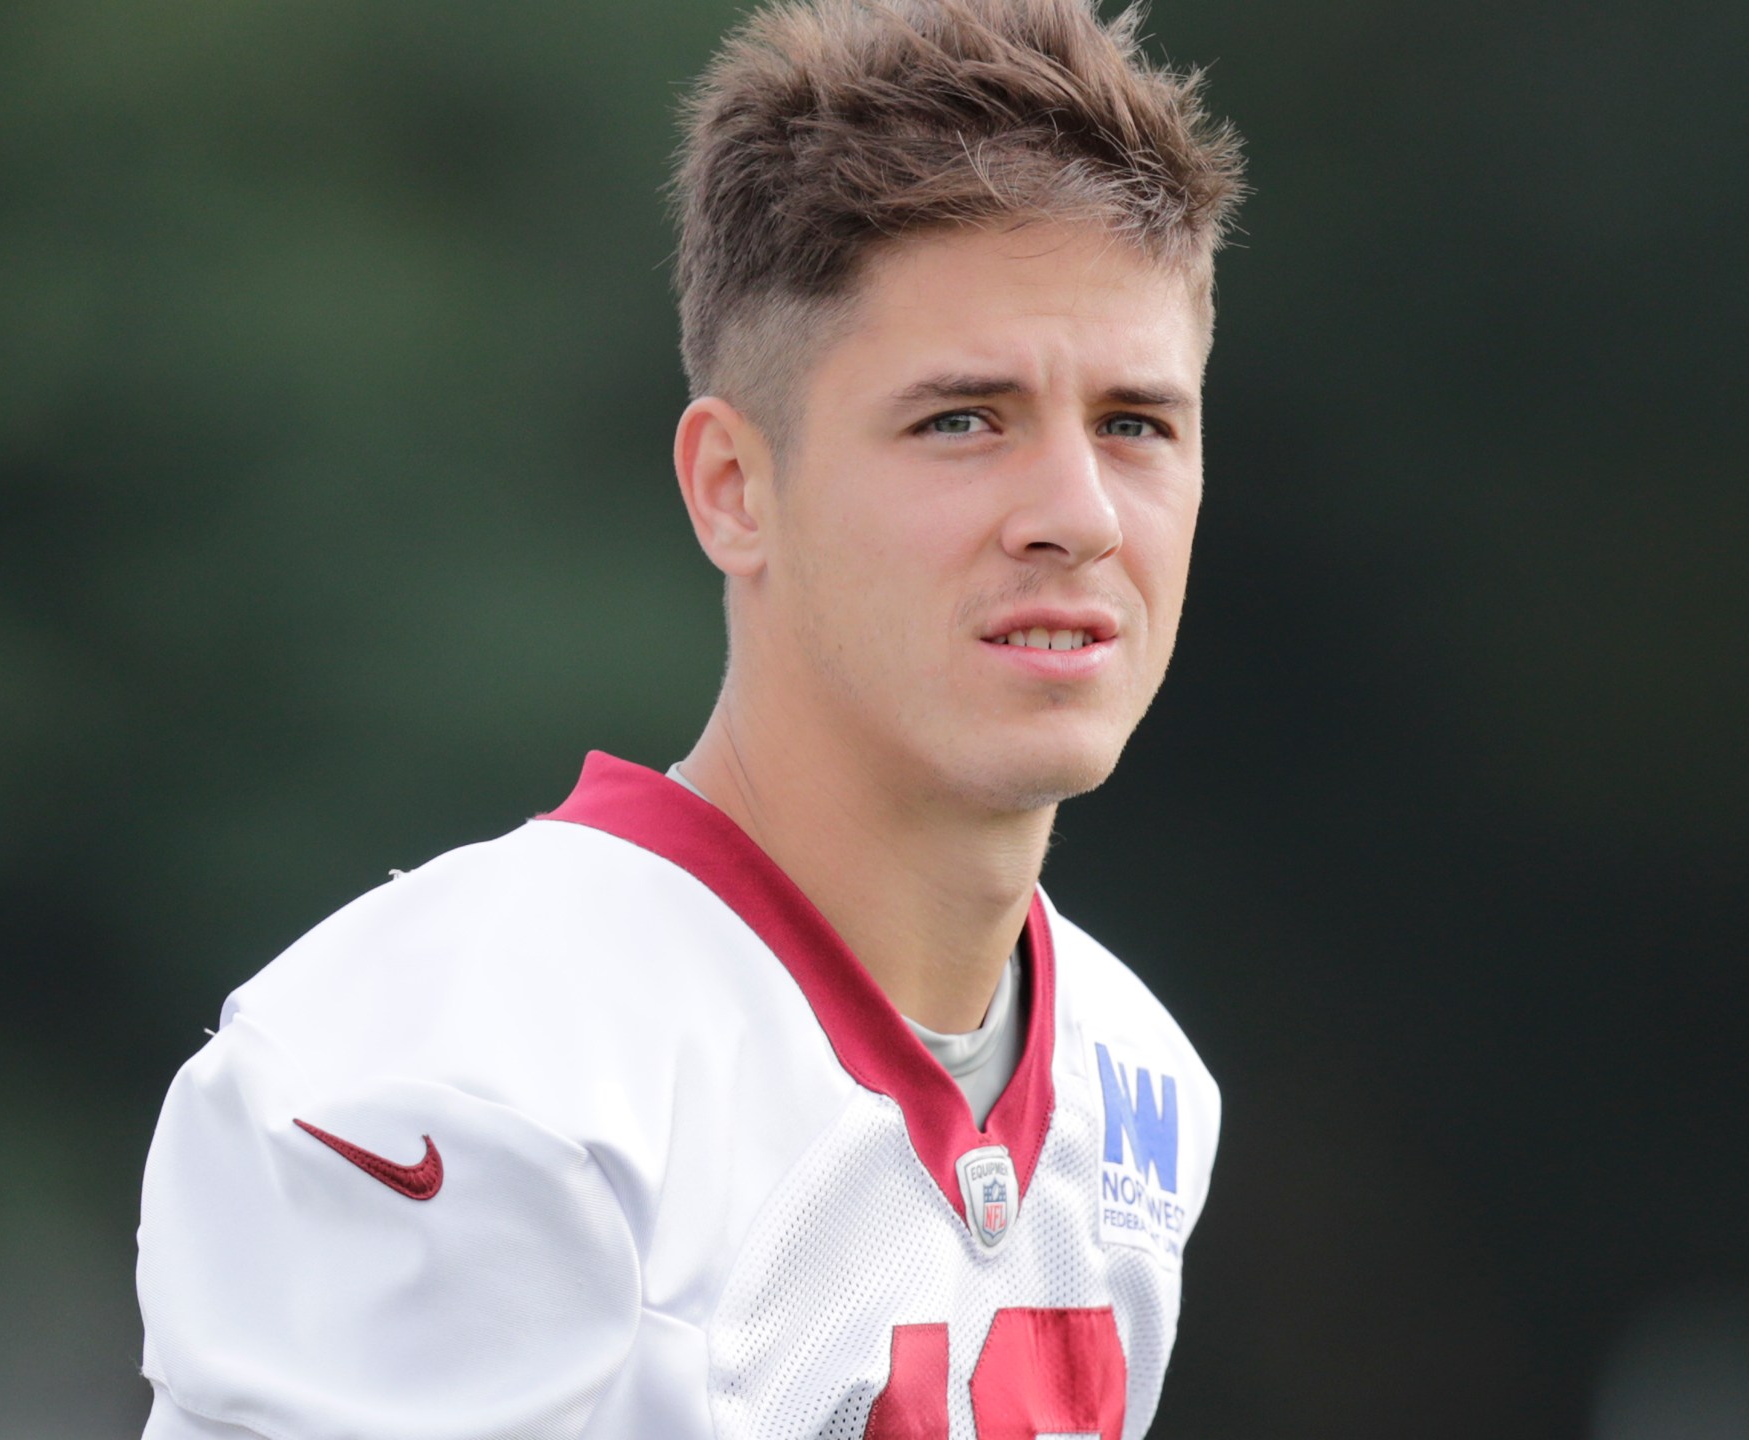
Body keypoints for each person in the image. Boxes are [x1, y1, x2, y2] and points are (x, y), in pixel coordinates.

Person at [133, 0, 1245, 1434]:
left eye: (1136, 424)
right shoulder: (468, 1065)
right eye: (962, 420)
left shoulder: (1137, 1082)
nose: (1079, 517)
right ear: (734, 486)